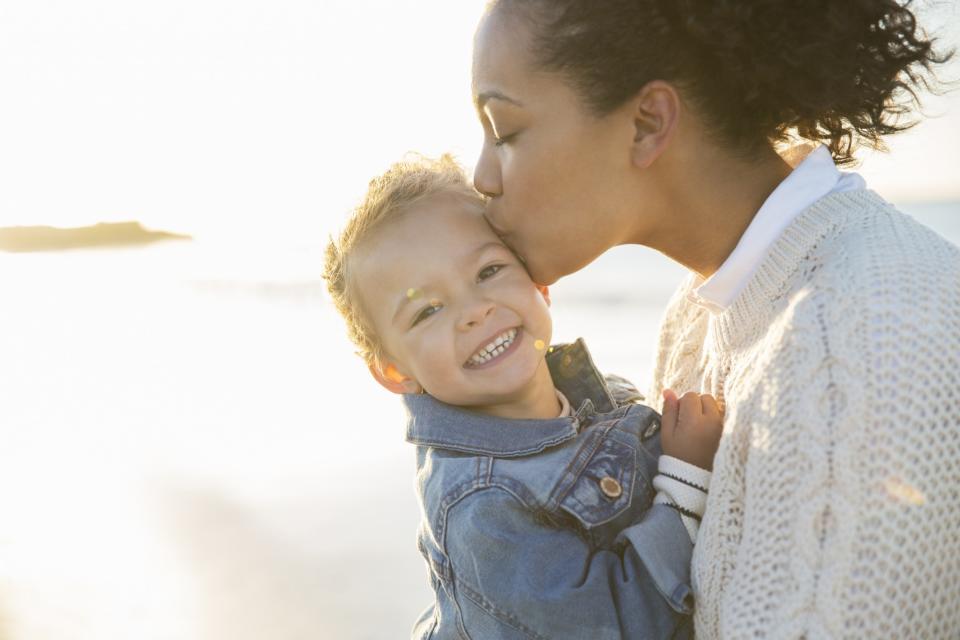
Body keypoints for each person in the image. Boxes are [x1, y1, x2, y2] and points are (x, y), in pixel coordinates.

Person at [470, 1, 960, 638]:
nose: (481, 177)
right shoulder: (705, 310)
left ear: (647, 122)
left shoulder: (863, 338)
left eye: (504, 131)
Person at [323, 154, 724, 638]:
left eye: (488, 272)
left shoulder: (596, 398)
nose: (475, 311)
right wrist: (685, 482)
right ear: (394, 371)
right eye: (427, 310)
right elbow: (614, 625)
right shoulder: (480, 505)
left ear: (538, 281)